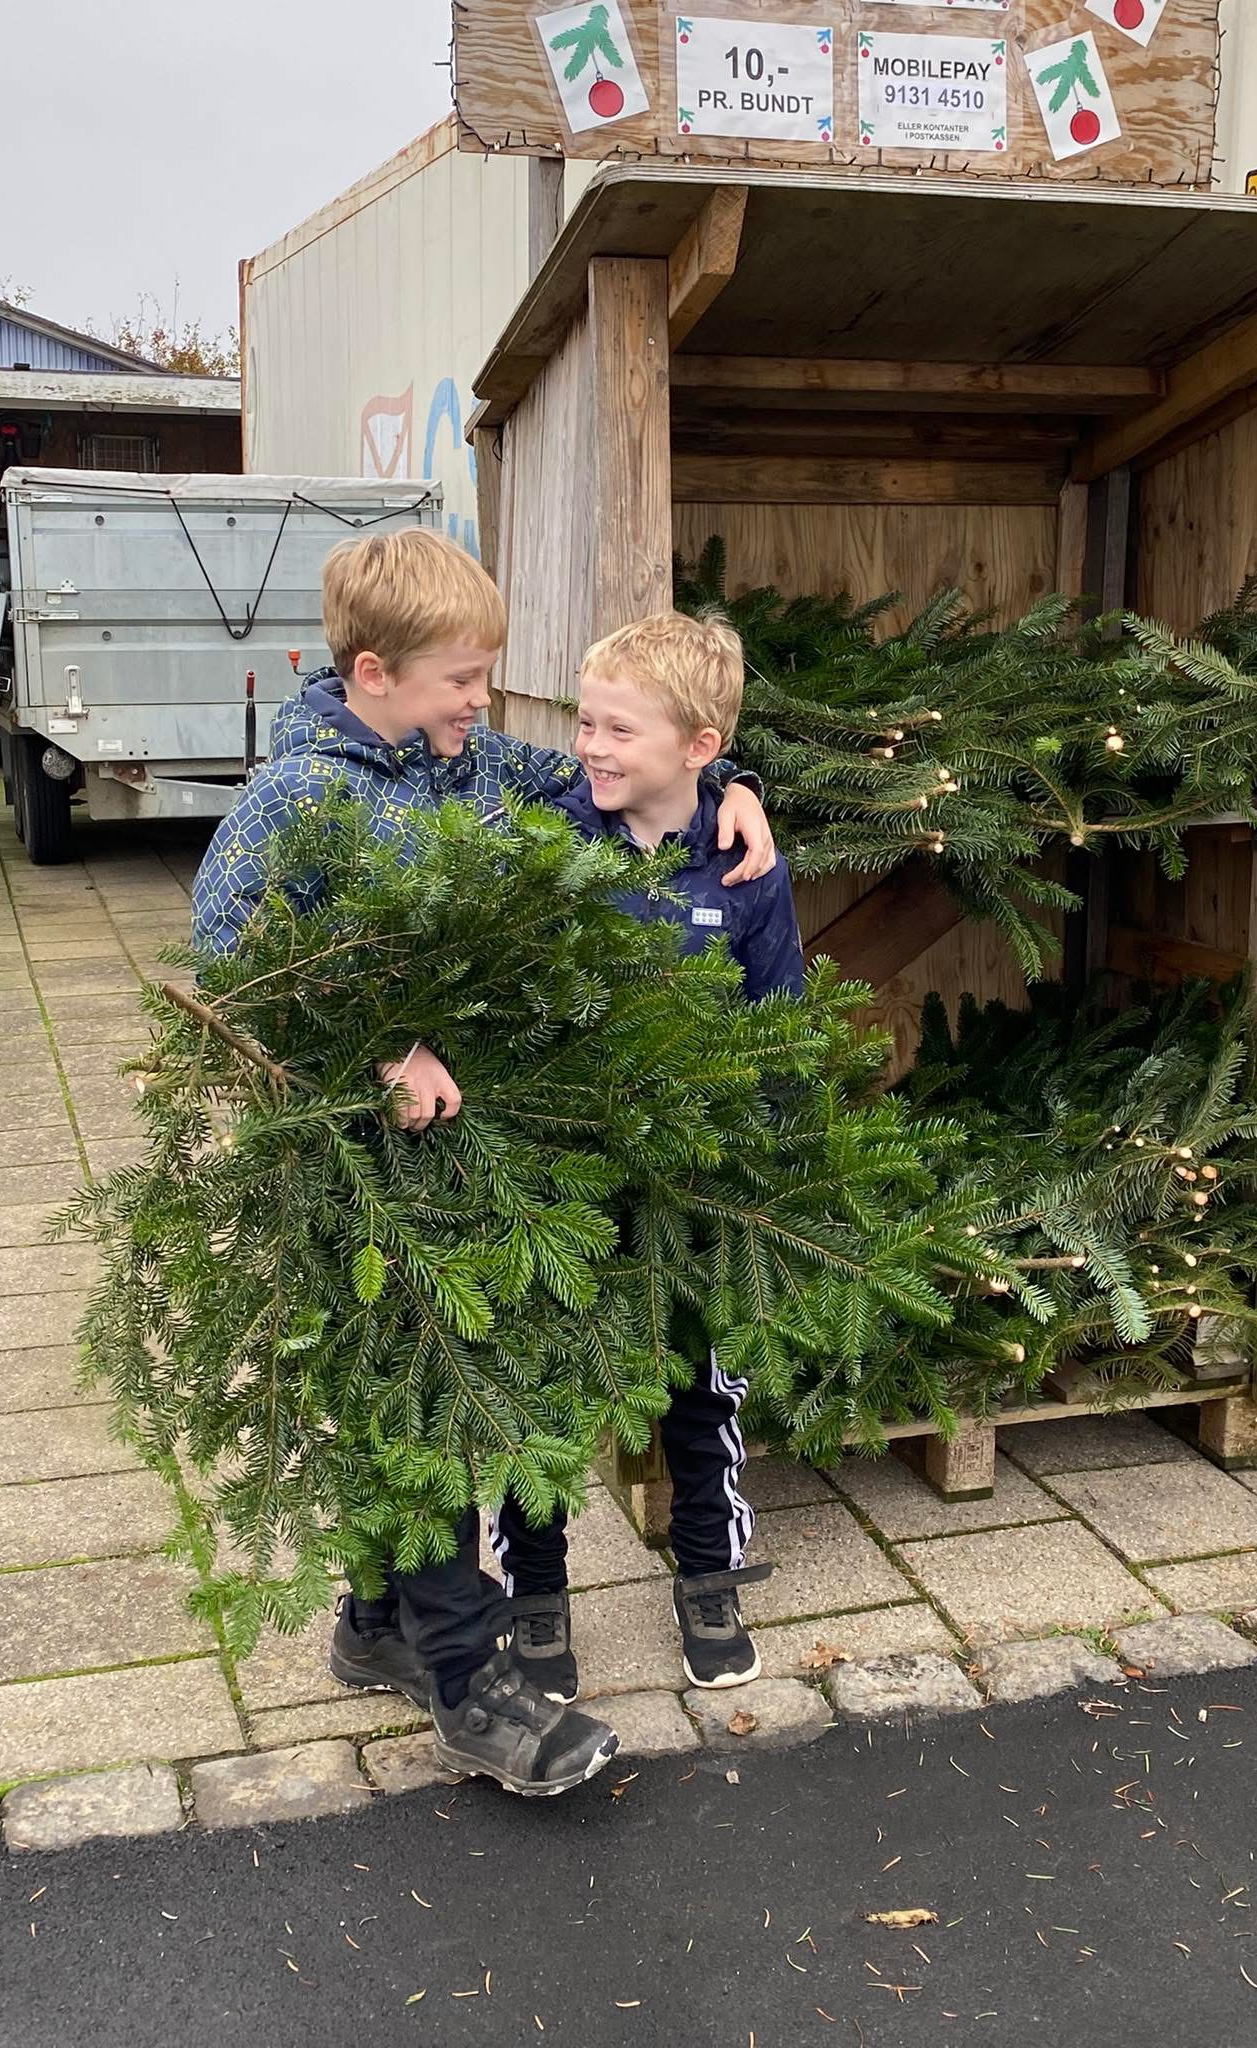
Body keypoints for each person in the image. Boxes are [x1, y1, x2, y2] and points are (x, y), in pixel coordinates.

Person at [189, 528, 777, 1796]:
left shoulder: (467, 762)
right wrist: (375, 1050)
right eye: (464, 678)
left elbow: (619, 772)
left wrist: (734, 785)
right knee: (428, 1403)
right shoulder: (297, 797)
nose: (485, 701)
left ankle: (375, 1625)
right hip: (356, 1163)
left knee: (413, 1391)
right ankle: (467, 1688)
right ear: (374, 671)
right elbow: (226, 962)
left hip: (464, 1160)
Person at [487, 610, 805, 1709]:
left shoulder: (746, 863)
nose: (591, 745)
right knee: (540, 1385)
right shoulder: (550, 834)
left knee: (701, 1393)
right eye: (586, 722)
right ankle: (535, 1594)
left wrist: (760, 1164)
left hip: (696, 1187)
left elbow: (781, 1022)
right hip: (563, 1179)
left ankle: (710, 1581)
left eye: (620, 729)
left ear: (700, 748)